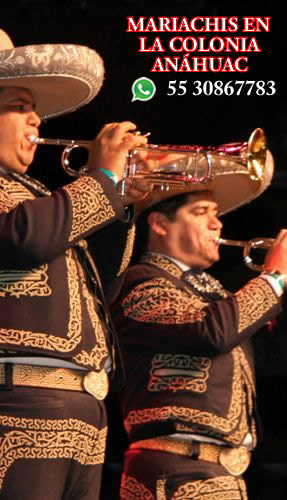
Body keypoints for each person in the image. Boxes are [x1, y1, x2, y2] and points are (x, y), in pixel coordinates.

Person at [0, 29, 151, 499]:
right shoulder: (36, 211)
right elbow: (26, 239)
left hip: (81, 413)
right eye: (20, 105)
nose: (36, 120)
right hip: (16, 408)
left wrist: (121, 203)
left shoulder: (43, 198)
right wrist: (101, 177)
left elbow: (99, 286)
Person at [110, 144, 287, 499]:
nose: (218, 223)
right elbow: (212, 333)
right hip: (175, 470)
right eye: (202, 212)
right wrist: (274, 276)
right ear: (160, 224)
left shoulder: (217, 296)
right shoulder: (141, 281)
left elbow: (280, 360)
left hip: (217, 473)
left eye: (216, 212)